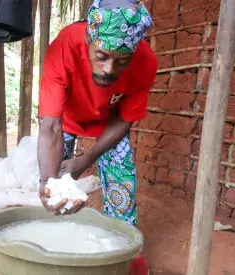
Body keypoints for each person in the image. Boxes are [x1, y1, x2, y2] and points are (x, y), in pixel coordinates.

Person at [38, 0, 157, 225]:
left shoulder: (146, 62)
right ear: (88, 39)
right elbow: (50, 124)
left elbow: (124, 119)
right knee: (54, 192)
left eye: (123, 61)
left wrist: (87, 159)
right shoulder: (65, 46)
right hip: (64, 120)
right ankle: (56, 243)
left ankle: (122, 250)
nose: (109, 70)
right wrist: (47, 181)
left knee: (123, 188)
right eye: (102, 56)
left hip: (110, 124)